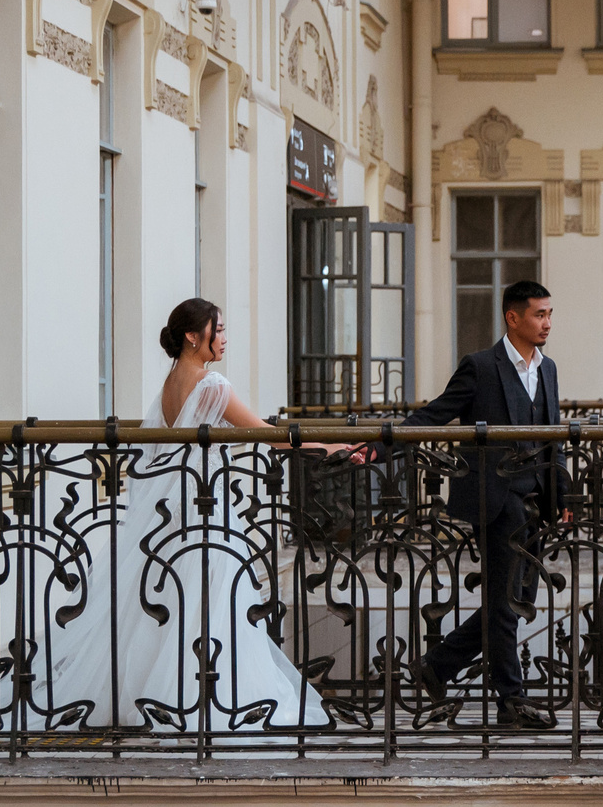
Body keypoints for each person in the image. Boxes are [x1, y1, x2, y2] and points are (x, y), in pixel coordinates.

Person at [52, 298, 335, 730]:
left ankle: (159, 697)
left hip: (169, 518)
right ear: (193, 335)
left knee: (169, 605)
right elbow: (268, 435)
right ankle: (208, 700)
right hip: (204, 513)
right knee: (211, 602)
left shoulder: (170, 385)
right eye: (217, 329)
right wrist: (330, 448)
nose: (224, 338)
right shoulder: (211, 385)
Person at [395, 280, 566, 730]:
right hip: (497, 500)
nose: (547, 323)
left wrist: (560, 495)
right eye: (539, 315)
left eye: (550, 314)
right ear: (513, 318)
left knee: (516, 598)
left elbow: (554, 438)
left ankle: (436, 665)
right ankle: (512, 698)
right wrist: (380, 444)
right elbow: (436, 412)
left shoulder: (547, 369)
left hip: (534, 503)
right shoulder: (480, 367)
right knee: (507, 602)